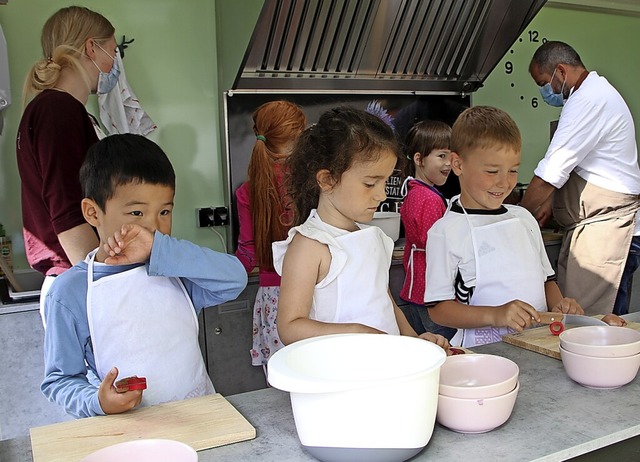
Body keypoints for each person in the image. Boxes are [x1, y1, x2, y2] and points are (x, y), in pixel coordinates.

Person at [41, 134, 248, 418]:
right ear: (92, 212)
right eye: (137, 212)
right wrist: (98, 402)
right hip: (128, 430)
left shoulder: (177, 268)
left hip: (198, 418)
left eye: (165, 211)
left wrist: (162, 250)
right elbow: (60, 380)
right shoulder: (70, 293)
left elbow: (236, 279)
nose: (153, 226)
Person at [272, 106, 450, 353]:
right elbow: (290, 327)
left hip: (382, 366)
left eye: (386, 181)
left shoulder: (373, 237)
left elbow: (385, 301)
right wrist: (356, 332)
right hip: (339, 374)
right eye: (370, 183)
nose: (382, 193)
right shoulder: (310, 245)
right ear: (327, 180)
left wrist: (413, 338)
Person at [425, 106, 584, 348]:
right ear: (458, 164)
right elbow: (438, 310)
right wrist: (496, 315)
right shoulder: (446, 231)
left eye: (513, 171)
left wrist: (560, 307)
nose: (504, 182)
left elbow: (547, 282)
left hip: (539, 342)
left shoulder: (524, 219)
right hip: (484, 351)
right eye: (491, 171)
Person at [16, 6, 121, 319]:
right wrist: (104, 284)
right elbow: (67, 213)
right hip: (77, 281)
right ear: (92, 47)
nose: (115, 63)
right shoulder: (58, 111)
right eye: (113, 51)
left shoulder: (52, 109)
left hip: (72, 278)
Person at [522, 41, 640, 316]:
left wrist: (515, 215)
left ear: (560, 71)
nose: (546, 91)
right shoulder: (592, 93)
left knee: (599, 329)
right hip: (598, 228)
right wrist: (553, 204)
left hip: (609, 231)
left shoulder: (588, 100)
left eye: (544, 82)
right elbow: (584, 166)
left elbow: (550, 173)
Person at [234, 100, 307, 368]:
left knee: (282, 381)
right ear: (299, 136)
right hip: (310, 294)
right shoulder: (313, 182)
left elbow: (248, 253)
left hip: (272, 299)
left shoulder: (246, 191)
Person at [398, 120, 457, 340]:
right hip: (431, 296)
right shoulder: (429, 199)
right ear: (418, 159)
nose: (448, 164)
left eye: (451, 156)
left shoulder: (415, 192)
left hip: (417, 292)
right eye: (441, 156)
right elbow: (437, 246)